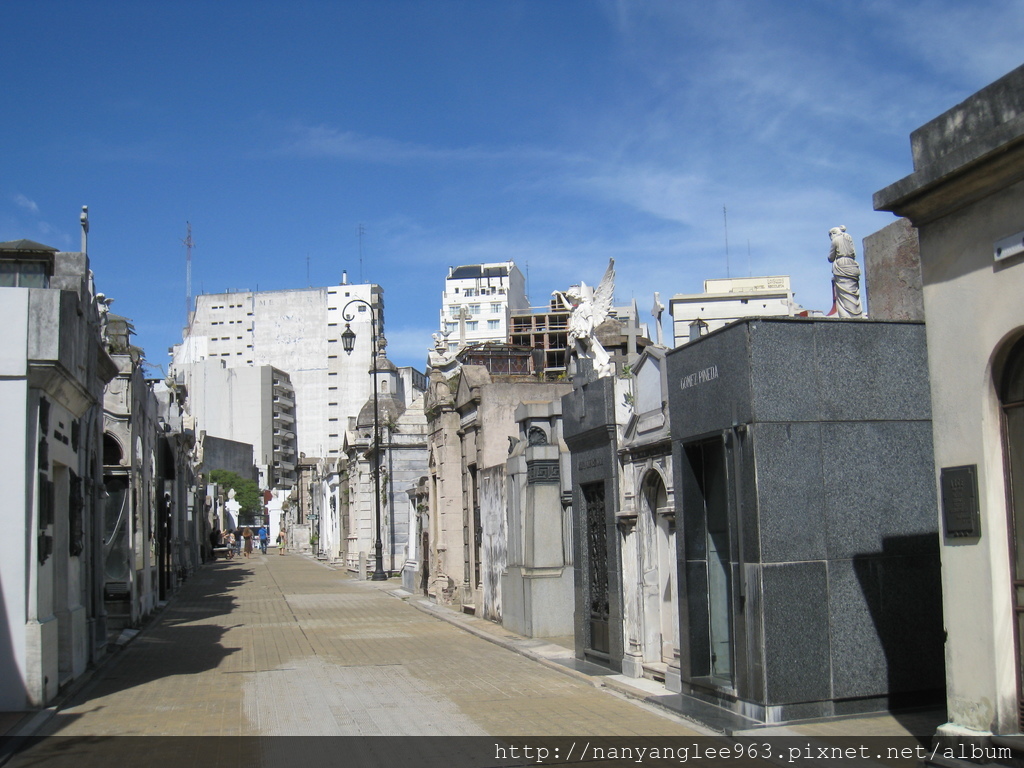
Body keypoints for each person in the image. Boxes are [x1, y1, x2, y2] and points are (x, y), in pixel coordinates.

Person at [828, 225, 863, 318]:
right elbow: (854, 253)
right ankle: (856, 314)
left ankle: (847, 315)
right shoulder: (849, 238)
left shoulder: (835, 240)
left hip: (841, 265)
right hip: (852, 264)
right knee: (853, 291)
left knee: (843, 295)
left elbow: (831, 257)